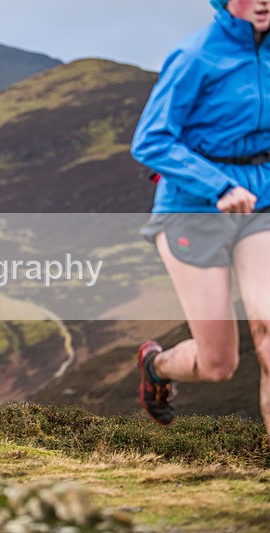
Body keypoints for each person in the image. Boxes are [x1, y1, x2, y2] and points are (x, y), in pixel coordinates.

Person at [131, 0, 270, 440]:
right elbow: (150, 141)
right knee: (219, 364)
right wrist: (219, 187)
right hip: (193, 211)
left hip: (261, 206)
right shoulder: (196, 56)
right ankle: (156, 366)